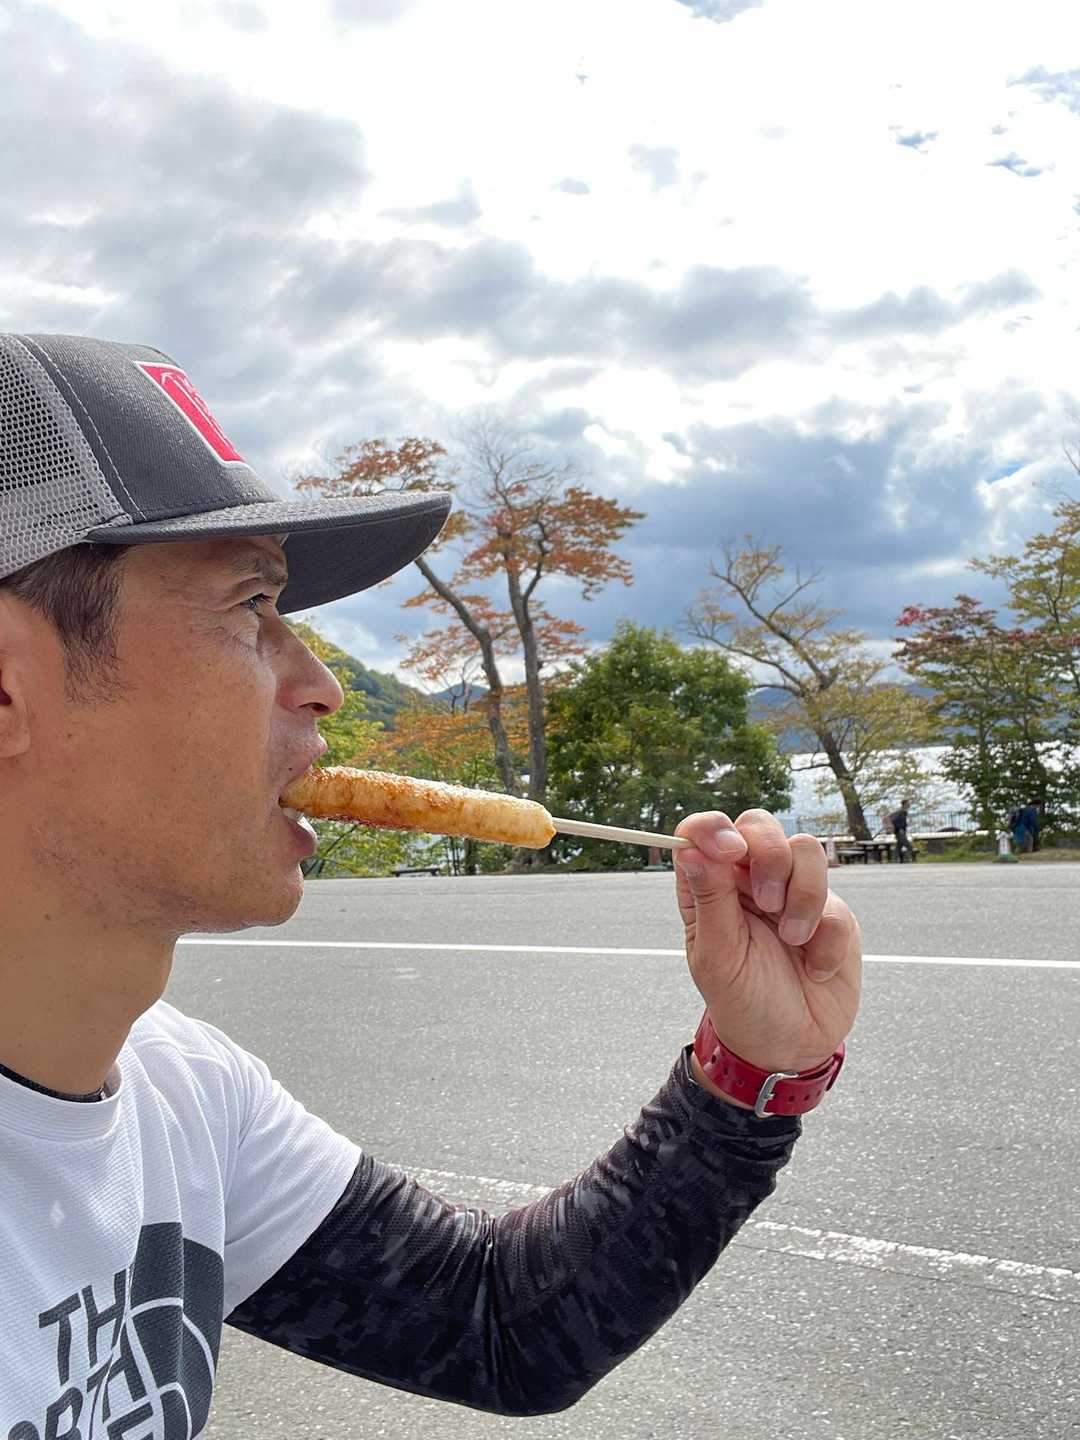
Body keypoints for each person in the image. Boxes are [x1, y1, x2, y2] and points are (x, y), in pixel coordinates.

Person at [0, 334, 861, 1430]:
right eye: (250, 605)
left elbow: (496, 1324)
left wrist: (753, 1068)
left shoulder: (185, 1092)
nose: (321, 684)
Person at [890, 797, 915, 862]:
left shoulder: (903, 811)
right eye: (908, 803)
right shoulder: (901, 812)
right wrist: (900, 828)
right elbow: (897, 821)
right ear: (904, 804)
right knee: (907, 844)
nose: (909, 804)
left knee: (899, 845)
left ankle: (895, 859)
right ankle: (911, 858)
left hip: (900, 830)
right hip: (900, 831)